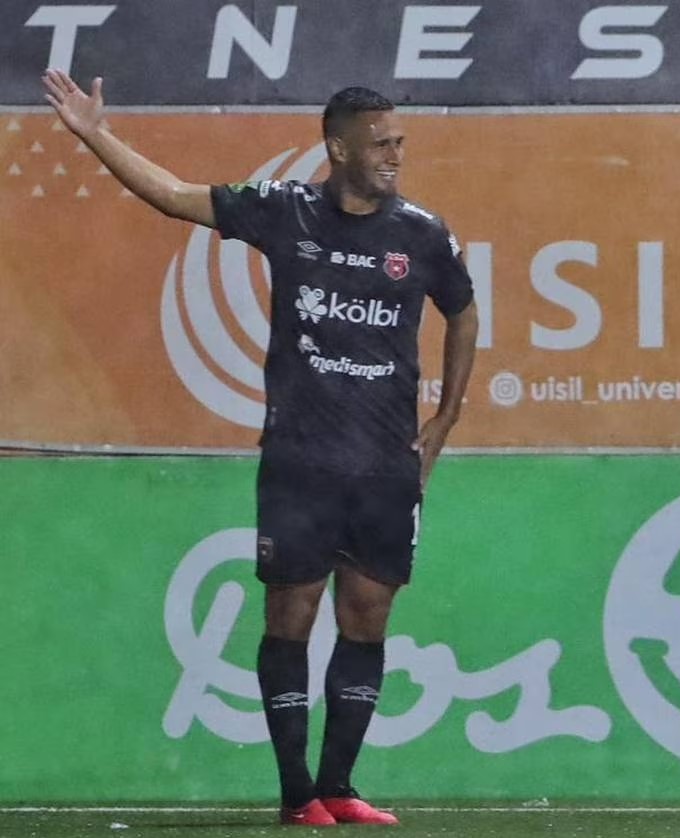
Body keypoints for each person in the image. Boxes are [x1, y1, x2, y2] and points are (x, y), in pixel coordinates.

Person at [43, 70, 479, 827]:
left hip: (385, 467)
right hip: (300, 462)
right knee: (292, 617)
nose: (394, 154)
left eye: (400, 141)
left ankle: (341, 787)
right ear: (336, 147)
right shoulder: (286, 213)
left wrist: (446, 415)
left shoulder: (422, 234)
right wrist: (96, 135)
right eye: (380, 143)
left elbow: (464, 313)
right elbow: (175, 194)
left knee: (369, 617)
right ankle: (296, 795)